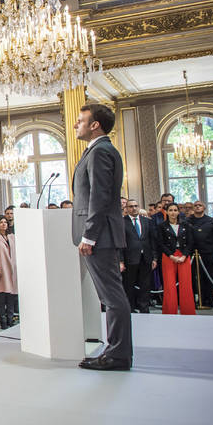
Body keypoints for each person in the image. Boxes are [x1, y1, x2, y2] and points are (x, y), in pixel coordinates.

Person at [72, 103, 132, 371]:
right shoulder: (98, 150)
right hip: (103, 234)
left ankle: (117, 355)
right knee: (110, 297)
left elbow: (100, 196)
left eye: (80, 120)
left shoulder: (101, 151)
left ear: (95, 124)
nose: (76, 125)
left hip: (101, 235)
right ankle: (115, 351)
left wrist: (90, 236)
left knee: (112, 298)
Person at [121, 199, 157, 314]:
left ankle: (144, 308)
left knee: (145, 285)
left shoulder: (147, 221)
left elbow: (152, 241)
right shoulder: (122, 222)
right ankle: (130, 308)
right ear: (126, 208)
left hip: (146, 258)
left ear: (139, 206)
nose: (134, 208)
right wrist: (120, 261)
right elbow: (120, 243)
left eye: (136, 206)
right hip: (129, 259)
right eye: (131, 206)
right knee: (129, 285)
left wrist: (154, 258)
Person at [158, 202, 195, 315]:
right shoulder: (162, 226)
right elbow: (161, 243)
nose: (173, 213)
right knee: (169, 285)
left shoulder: (186, 225)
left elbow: (191, 242)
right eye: (170, 210)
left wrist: (184, 256)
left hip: (184, 256)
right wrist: (171, 256)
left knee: (186, 284)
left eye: (175, 210)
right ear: (167, 212)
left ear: (179, 212)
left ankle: (188, 312)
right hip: (169, 256)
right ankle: (169, 312)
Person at [185, 201, 213, 308]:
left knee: (209, 277)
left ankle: (210, 300)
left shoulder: (211, 221)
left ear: (204, 208)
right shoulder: (187, 221)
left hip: (209, 252)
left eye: (200, 205)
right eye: (195, 205)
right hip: (193, 253)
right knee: (195, 278)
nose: (197, 207)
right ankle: (199, 300)